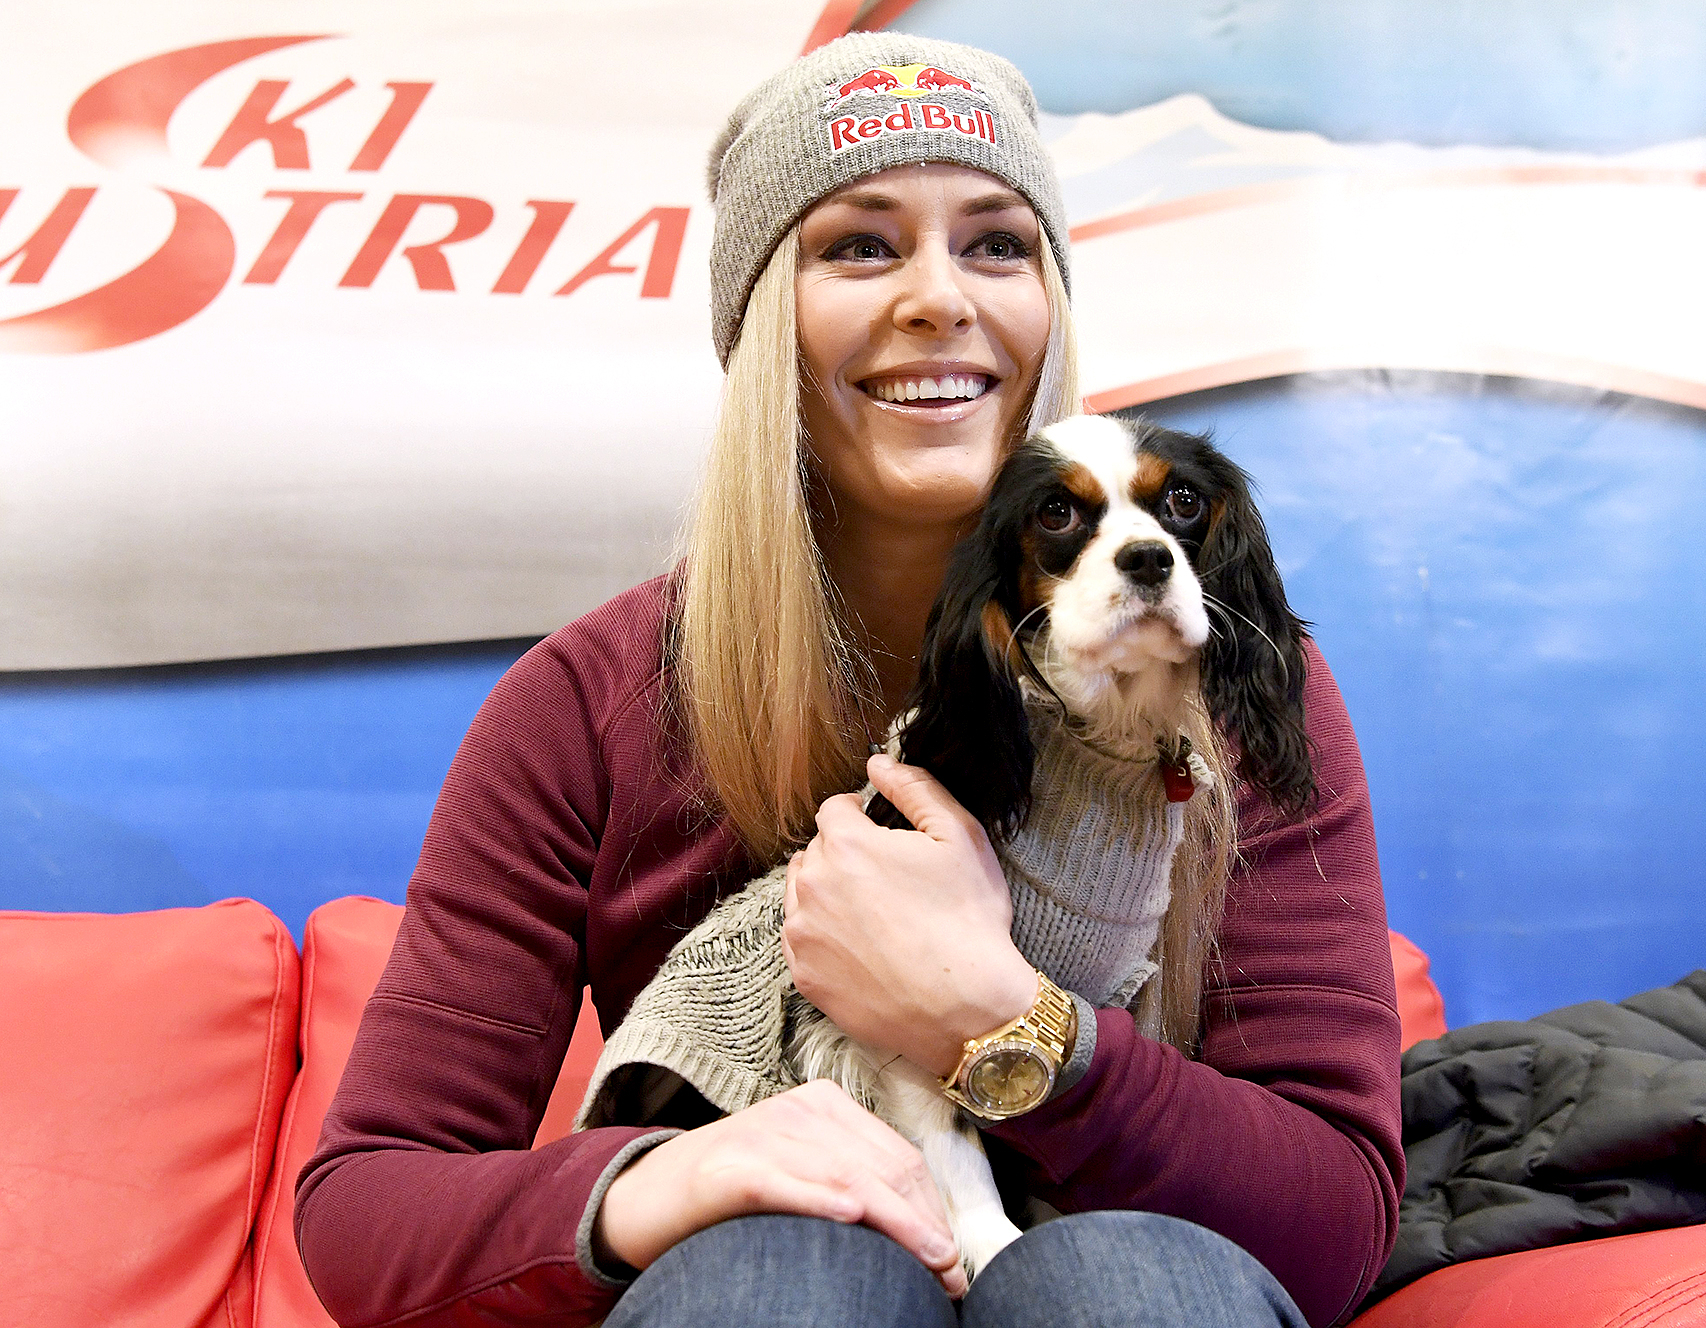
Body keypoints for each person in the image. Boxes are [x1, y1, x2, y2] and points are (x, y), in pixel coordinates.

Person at [294, 31, 1402, 1328]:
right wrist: (682, 1174)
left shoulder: (1219, 674)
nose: (942, 297)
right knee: (788, 1269)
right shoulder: (583, 708)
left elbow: (1334, 1222)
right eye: (861, 245)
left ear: (1050, 306)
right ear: (765, 318)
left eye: (997, 243)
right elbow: (365, 1211)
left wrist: (1010, 1026)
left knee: (1125, 1279)